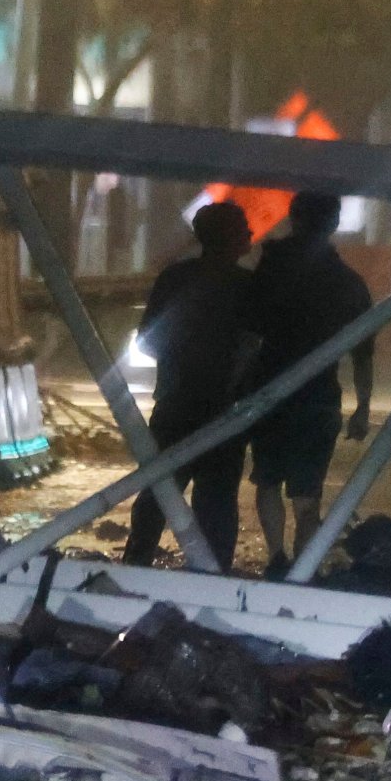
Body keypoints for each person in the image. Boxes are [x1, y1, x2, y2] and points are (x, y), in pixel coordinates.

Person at [239, 192, 373, 574]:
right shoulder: (347, 282)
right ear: (333, 225)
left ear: (293, 220)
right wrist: (362, 407)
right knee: (307, 493)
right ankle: (303, 568)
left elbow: (249, 337)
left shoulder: (269, 271)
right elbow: (363, 352)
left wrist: (235, 388)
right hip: (318, 398)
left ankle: (276, 557)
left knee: (267, 480)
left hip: (270, 393)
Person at [123, 201, 255, 570]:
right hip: (226, 413)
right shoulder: (248, 287)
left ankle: (136, 563)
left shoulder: (174, 279)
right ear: (229, 236)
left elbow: (148, 342)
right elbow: (256, 347)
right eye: (243, 226)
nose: (251, 233)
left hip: (175, 404)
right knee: (216, 503)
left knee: (158, 492)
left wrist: (180, 358)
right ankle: (212, 577)